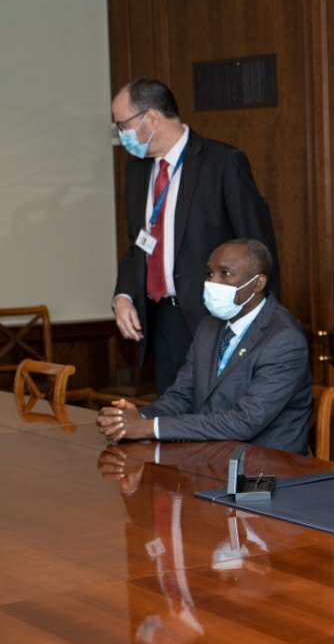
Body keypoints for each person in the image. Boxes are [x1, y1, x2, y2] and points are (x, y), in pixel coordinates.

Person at [110, 78, 280, 395]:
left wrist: (260, 329)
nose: (120, 135)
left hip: (217, 322)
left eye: (122, 125)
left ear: (151, 119)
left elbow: (259, 250)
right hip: (161, 322)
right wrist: (123, 296)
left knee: (217, 429)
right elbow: (137, 247)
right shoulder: (136, 173)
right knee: (172, 426)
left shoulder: (222, 163)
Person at [97, 239, 311, 454]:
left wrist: (147, 428)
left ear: (257, 283)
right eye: (210, 273)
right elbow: (181, 396)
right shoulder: (210, 325)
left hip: (268, 470)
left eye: (225, 274)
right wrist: (132, 418)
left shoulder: (284, 340)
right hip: (208, 459)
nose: (212, 282)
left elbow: (244, 422)